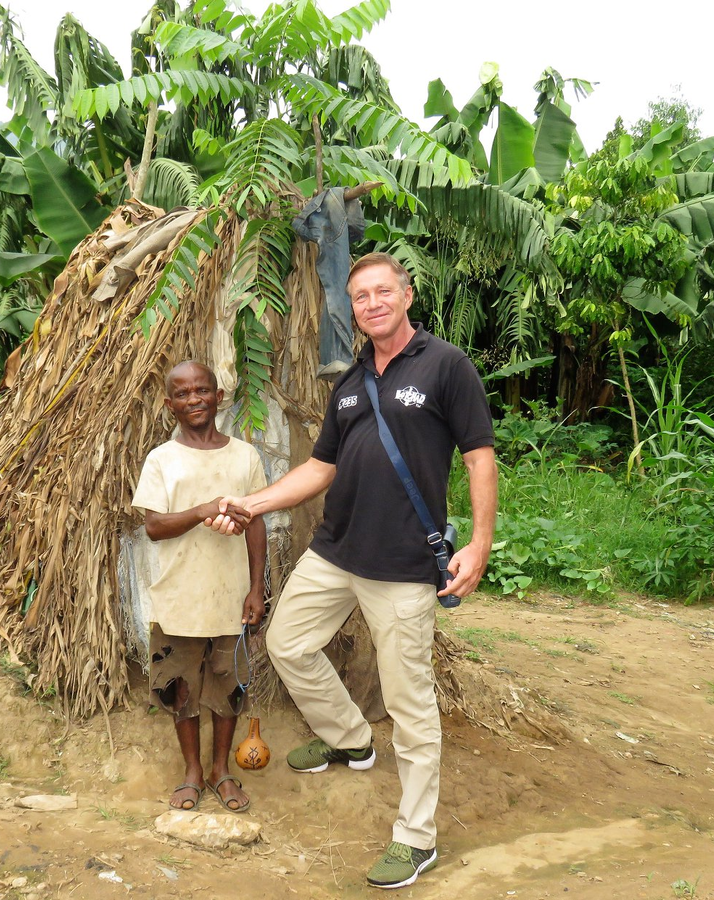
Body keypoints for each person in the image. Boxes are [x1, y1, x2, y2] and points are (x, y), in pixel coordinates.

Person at [207, 252, 497, 889]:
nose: (372, 303)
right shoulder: (350, 379)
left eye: (383, 291)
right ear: (354, 308)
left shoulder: (447, 366)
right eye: (360, 295)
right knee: (286, 642)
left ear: (407, 296)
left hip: (402, 564)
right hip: (336, 550)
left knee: (410, 703)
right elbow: (320, 470)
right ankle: (349, 740)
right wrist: (248, 503)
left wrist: (478, 544)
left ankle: (416, 838)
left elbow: (479, 458)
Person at [132, 360, 268, 814]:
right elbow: (153, 526)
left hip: (230, 596)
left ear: (219, 396)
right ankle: (192, 771)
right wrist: (202, 509)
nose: (195, 400)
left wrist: (256, 588)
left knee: (227, 688)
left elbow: (256, 527)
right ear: (169, 404)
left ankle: (221, 771)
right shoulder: (161, 460)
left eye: (202, 391)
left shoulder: (244, 457)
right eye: (184, 393)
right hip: (179, 597)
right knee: (182, 689)